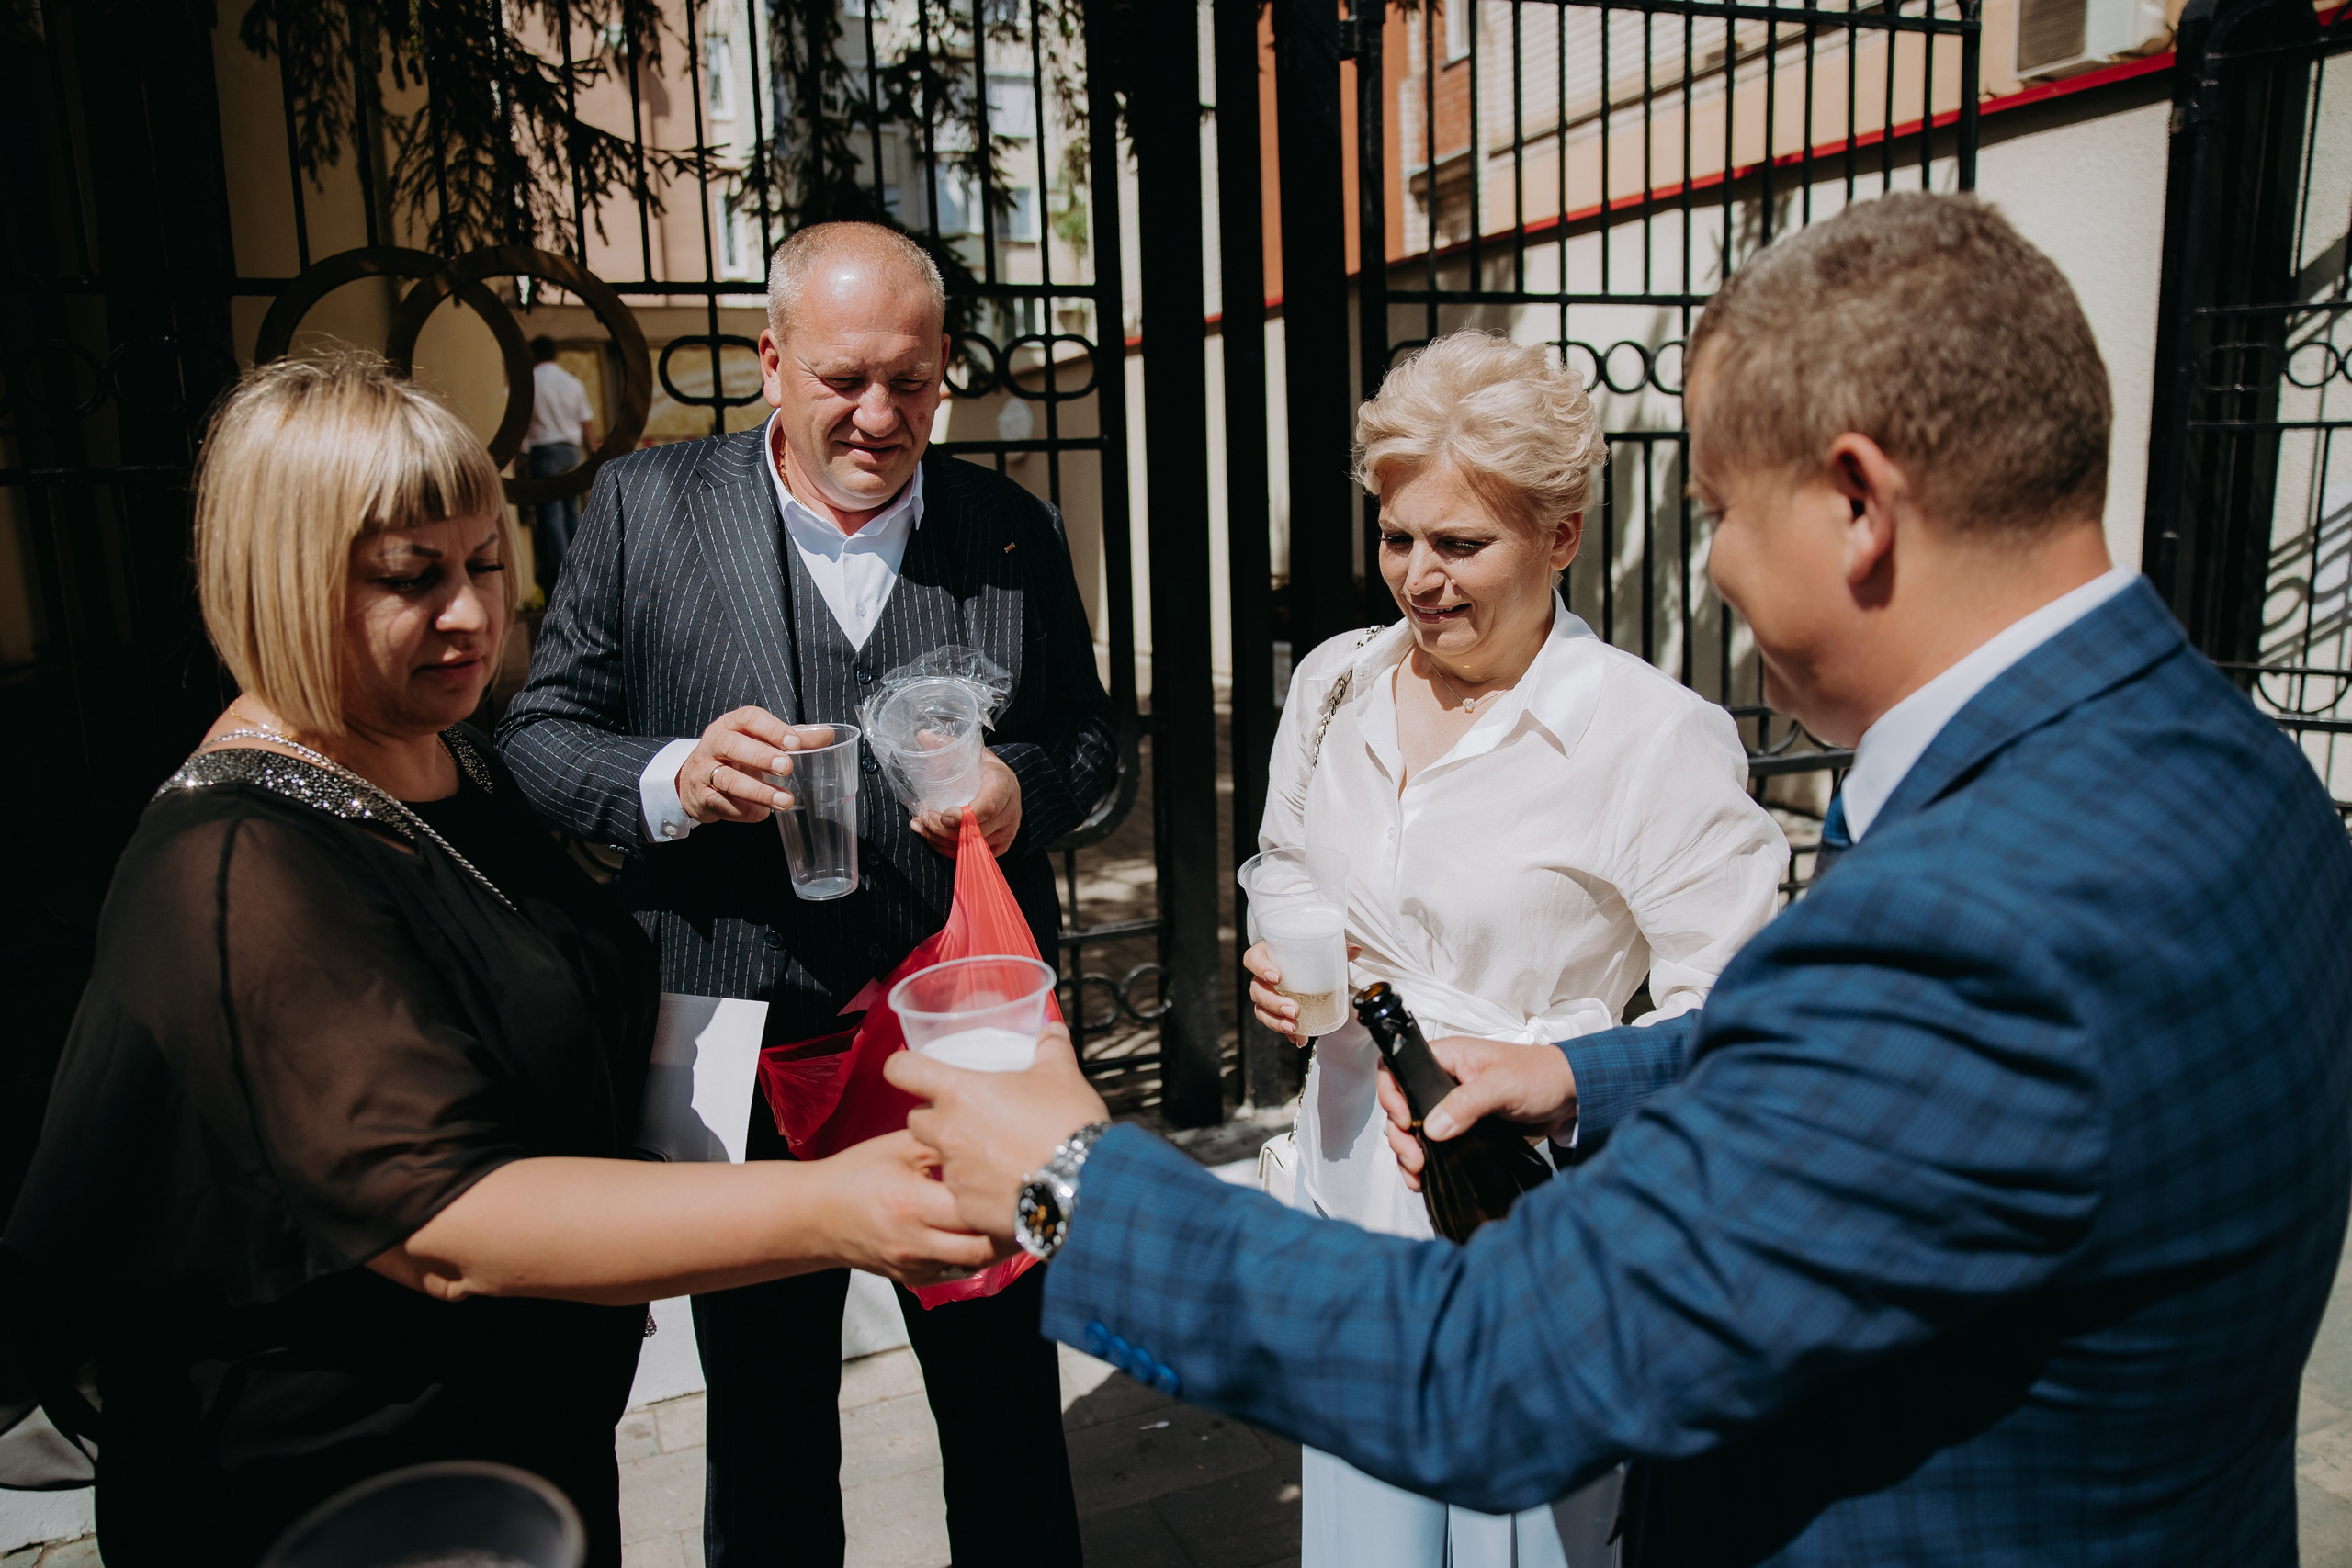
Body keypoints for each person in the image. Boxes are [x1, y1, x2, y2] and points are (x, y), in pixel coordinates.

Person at [888, 193, 2352, 1563]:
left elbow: (1505, 1365)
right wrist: (1577, 1077)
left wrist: (1077, 1181)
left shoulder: (1973, 913)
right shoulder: (2242, 768)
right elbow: (1851, 1099)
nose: (1711, 568)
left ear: (1859, 501)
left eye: (1718, 509)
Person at [0, 356, 992, 1568]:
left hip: (524, 1435)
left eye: (482, 563)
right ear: (278, 581)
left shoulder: (444, 756)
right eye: (409, 577)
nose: (471, 615)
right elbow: (449, 1218)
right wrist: (840, 1203)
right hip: (348, 1487)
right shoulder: (236, 863)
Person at [500, 220, 1111, 1568]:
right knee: (766, 1410)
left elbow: (1092, 744)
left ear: (943, 371)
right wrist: (673, 776)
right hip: (739, 1032)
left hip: (961, 1036)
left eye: (910, 381)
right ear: (772, 363)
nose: (878, 416)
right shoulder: (644, 508)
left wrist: (1020, 789)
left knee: (1004, 1392)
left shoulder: (1010, 529)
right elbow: (538, 735)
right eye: (843, 380)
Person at [1245, 330, 1784, 1566]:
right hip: (1350, 1177)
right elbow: (1281, 859)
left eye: (1460, 543)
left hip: (1529, 1210)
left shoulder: (1651, 737)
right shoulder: (1335, 682)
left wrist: (1559, 1073)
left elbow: (1744, 1020)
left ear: (1561, 536)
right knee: (1368, 1536)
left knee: (1529, 1540)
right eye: (1397, 538)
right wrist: (1294, 959)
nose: (1418, 578)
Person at [522, 334, 596, 592]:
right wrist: (592, 451)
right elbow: (585, 421)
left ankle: (566, 572)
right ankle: (579, 567)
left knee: (551, 515)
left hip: (543, 450)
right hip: (571, 451)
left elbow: (519, 421)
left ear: (534, 354)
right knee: (571, 512)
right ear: (556, 354)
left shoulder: (529, 382)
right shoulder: (572, 382)